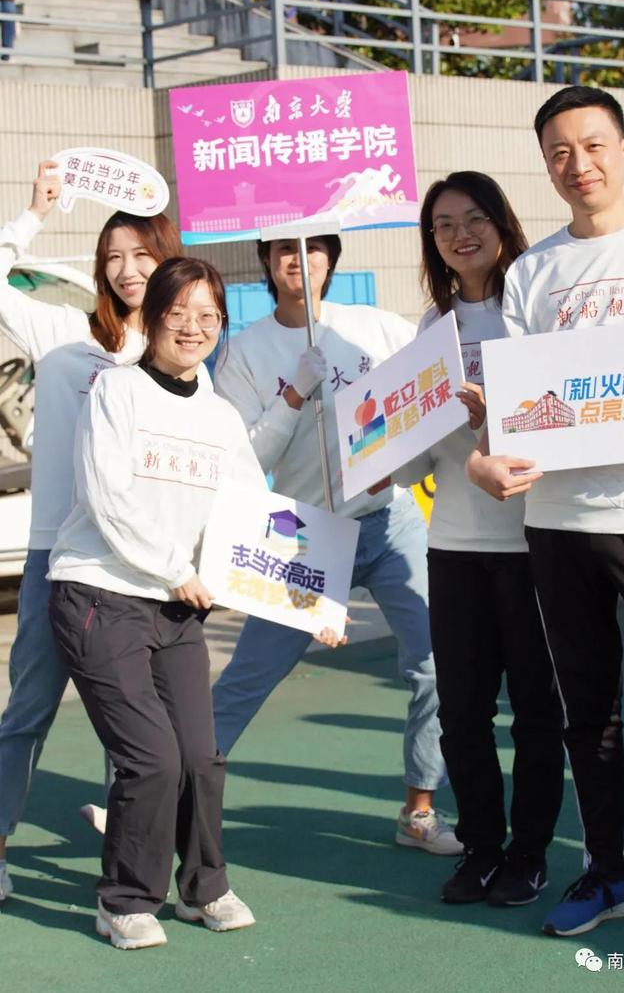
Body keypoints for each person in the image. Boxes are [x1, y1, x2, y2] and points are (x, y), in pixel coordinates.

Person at [468, 85, 624, 937]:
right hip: (559, 522)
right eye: (560, 152)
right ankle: (606, 874)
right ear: (545, 163)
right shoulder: (532, 272)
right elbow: (512, 404)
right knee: (588, 714)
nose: (579, 164)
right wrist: (485, 454)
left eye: (594, 145)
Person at [212, 235, 460, 855]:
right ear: (267, 261)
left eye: (315, 248)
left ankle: (419, 810)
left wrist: (401, 456)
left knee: (436, 665)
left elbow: (430, 391)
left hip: (391, 519)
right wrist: (294, 395)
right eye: (285, 249)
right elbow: (244, 460)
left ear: (331, 259)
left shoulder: (375, 326)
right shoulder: (244, 351)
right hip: (303, 534)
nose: (300, 259)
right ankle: (160, 802)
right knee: (247, 679)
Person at [48, 257, 266, 950]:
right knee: (152, 760)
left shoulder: (222, 417)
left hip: (177, 609)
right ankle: (124, 900)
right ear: (151, 318)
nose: (193, 328)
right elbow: (105, 497)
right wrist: (176, 569)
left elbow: (253, 513)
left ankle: (205, 888)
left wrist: (309, 602)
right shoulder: (116, 391)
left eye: (209, 316)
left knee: (200, 757)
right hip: (101, 593)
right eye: (178, 314)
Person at [0, 161, 183, 902]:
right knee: (29, 708)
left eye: (142, 254)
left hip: (141, 561)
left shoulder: (182, 356)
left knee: (135, 716)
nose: (128, 269)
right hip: (59, 556)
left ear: (167, 260)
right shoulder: (63, 337)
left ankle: (130, 848)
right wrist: (35, 214)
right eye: (113, 256)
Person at [380, 172, 564, 905]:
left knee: (537, 712)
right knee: (462, 712)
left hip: (535, 543)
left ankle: (529, 854)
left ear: (502, 223)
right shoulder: (433, 328)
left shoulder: (537, 311)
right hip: (454, 545)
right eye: (444, 225)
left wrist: (500, 421)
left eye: (475, 218)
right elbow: (419, 455)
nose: (461, 235)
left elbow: (568, 421)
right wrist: (380, 456)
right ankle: (482, 849)